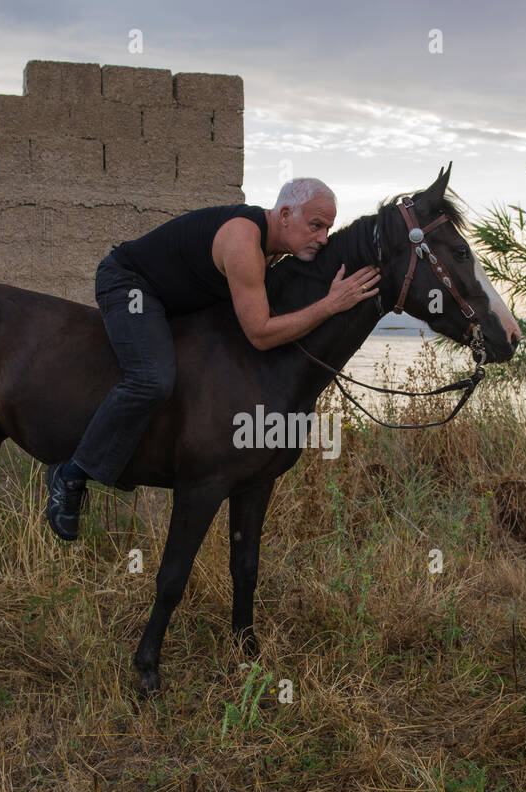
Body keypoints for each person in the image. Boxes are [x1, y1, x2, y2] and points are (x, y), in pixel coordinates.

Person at [46, 178, 380, 540]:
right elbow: (261, 333)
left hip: (172, 299)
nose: (324, 238)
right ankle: (72, 473)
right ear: (285, 214)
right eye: (316, 226)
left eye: (328, 228)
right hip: (129, 284)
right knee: (152, 378)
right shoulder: (243, 242)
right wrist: (331, 305)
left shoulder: (272, 250)